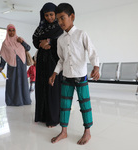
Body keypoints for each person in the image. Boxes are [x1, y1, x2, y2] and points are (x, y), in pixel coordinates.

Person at [49, 3, 100, 145]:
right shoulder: (60, 40)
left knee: (85, 104)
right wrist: (54, 73)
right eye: (58, 19)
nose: (60, 22)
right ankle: (64, 131)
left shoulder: (81, 34)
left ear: (72, 17)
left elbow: (92, 52)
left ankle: (87, 132)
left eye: (62, 18)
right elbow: (61, 60)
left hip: (80, 76)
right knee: (64, 105)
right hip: (66, 77)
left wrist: (96, 66)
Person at [32, 2, 63, 127]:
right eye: (46, 15)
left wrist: (49, 41)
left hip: (54, 61)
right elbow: (34, 39)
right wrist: (41, 43)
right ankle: (42, 116)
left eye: (51, 14)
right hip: (41, 62)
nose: (49, 17)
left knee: (53, 89)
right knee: (41, 87)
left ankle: (53, 118)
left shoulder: (60, 27)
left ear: (55, 14)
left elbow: (61, 41)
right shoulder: (40, 28)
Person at [0, 24, 31, 106]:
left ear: (15, 31)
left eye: (13, 30)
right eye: (10, 30)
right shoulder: (5, 43)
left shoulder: (20, 39)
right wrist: (1, 66)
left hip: (21, 65)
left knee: (23, 82)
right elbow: (4, 56)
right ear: (7, 31)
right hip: (12, 66)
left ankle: (25, 100)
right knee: (12, 83)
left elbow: (28, 48)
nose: (11, 32)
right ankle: (13, 101)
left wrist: (22, 42)